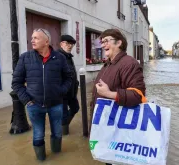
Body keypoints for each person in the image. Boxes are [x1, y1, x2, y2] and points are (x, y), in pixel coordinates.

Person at [12, 28, 72, 161]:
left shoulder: (60, 57)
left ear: (46, 41)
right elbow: (16, 83)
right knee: (38, 135)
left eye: (36, 38)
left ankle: (58, 157)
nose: (32, 40)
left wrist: (61, 92)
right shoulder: (25, 58)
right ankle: (41, 160)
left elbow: (69, 78)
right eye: (32, 37)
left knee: (57, 132)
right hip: (34, 105)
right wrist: (27, 100)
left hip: (56, 104)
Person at [88, 29, 146, 165]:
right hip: (107, 127)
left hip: (118, 130)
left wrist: (109, 94)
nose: (102, 45)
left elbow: (138, 95)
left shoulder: (129, 63)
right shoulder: (108, 64)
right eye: (102, 42)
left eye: (106, 41)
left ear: (119, 42)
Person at [58, 34, 80, 135]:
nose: (70, 46)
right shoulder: (57, 57)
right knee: (63, 115)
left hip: (71, 92)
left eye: (72, 44)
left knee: (75, 108)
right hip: (62, 94)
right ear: (61, 44)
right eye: (67, 43)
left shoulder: (68, 57)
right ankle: (63, 133)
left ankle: (62, 125)